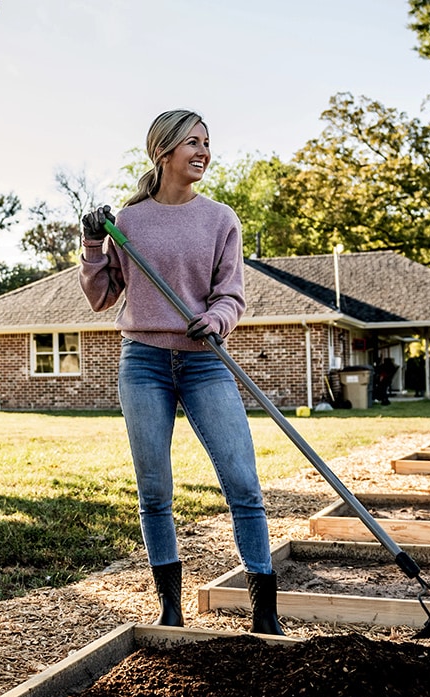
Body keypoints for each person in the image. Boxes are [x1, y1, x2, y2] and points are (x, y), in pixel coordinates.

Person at [78, 109, 283, 636]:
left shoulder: (221, 219)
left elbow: (231, 294)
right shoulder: (129, 222)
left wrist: (214, 318)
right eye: (192, 142)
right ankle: (170, 607)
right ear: (163, 151)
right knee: (154, 491)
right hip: (143, 361)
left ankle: (265, 611)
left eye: (207, 143)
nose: (203, 152)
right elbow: (102, 297)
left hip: (204, 362)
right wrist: (93, 244)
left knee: (242, 483)